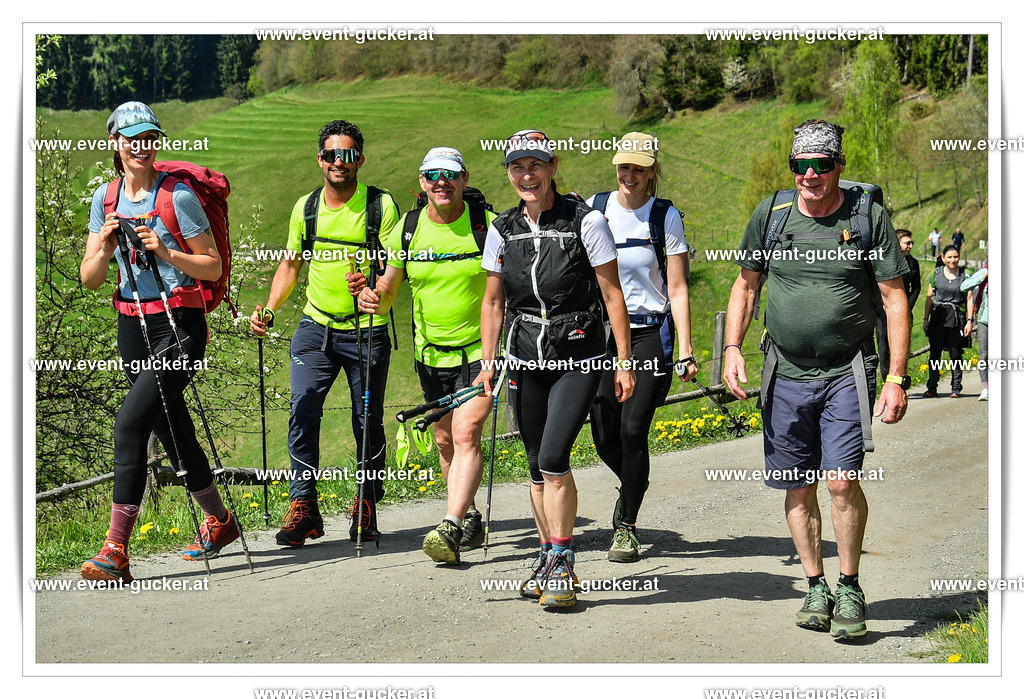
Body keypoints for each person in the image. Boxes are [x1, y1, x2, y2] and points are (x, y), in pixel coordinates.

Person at [723, 119, 910, 640]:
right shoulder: (772, 214)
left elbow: (894, 299)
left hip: (847, 369)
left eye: (820, 165)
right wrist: (732, 348)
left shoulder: (867, 217)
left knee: (841, 481)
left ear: (838, 166)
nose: (809, 174)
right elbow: (746, 286)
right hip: (784, 371)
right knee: (797, 484)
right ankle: (815, 586)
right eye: (800, 164)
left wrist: (896, 376)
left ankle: (849, 585)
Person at [477, 130, 635, 608]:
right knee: (533, 465)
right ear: (508, 173)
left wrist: (624, 361)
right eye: (517, 167)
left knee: (552, 458)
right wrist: (488, 364)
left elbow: (612, 294)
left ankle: (564, 562)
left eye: (535, 165)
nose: (527, 175)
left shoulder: (586, 221)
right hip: (525, 356)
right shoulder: (502, 229)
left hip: (578, 355)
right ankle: (547, 556)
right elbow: (493, 301)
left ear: (553, 167)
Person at [79, 101, 231, 581]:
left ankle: (115, 550)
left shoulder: (177, 197)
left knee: (129, 424)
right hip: (132, 325)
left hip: (179, 325)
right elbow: (90, 278)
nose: (141, 147)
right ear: (115, 143)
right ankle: (220, 520)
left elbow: (213, 266)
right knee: (171, 427)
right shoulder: (104, 199)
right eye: (132, 139)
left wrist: (165, 252)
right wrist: (104, 249)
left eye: (149, 138)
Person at [250, 120, 400, 547]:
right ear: (320, 159)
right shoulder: (307, 207)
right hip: (315, 328)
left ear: (360, 160)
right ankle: (304, 508)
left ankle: (366, 503)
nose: (339, 161)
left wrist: (375, 290)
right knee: (302, 409)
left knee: (366, 420)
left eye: (347, 154)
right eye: (332, 154)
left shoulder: (380, 206)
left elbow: (394, 266)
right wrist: (269, 309)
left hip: (365, 331)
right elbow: (291, 265)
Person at [357, 147, 496, 564]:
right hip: (430, 355)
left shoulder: (488, 227)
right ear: (421, 182)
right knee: (445, 441)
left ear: (464, 179)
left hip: (481, 353)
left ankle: (449, 525)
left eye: (450, 175)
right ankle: (469, 516)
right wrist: (372, 297)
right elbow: (388, 290)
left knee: (467, 434)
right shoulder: (408, 228)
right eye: (432, 175)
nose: (441, 182)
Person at [586, 133, 697, 563]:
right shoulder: (595, 209)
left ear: (652, 171)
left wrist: (685, 349)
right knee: (603, 433)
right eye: (623, 167)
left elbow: (678, 287)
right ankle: (635, 482)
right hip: (603, 336)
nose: (629, 175)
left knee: (633, 430)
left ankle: (626, 526)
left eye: (638, 168)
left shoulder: (664, 216)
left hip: (650, 334)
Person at [922, 246, 974, 398]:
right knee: (935, 353)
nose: (953, 260)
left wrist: (969, 321)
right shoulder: (936, 274)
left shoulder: (965, 275)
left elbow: (970, 299)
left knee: (956, 353)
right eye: (949, 257)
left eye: (955, 257)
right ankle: (932, 387)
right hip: (938, 316)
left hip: (957, 317)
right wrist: (926, 319)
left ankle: (956, 386)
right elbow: (929, 297)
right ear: (943, 258)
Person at [876, 230, 921, 382]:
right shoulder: (885, 260)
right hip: (883, 312)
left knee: (902, 346)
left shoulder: (913, 263)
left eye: (911, 243)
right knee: (884, 345)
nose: (910, 246)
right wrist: (882, 306)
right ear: (897, 243)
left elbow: (916, 288)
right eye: (907, 243)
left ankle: (901, 379)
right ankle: (886, 380)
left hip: (904, 310)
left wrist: (906, 308)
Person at [961, 264, 989, 401]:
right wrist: (982, 277)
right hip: (985, 320)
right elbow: (964, 286)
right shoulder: (986, 271)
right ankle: (985, 388)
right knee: (984, 355)